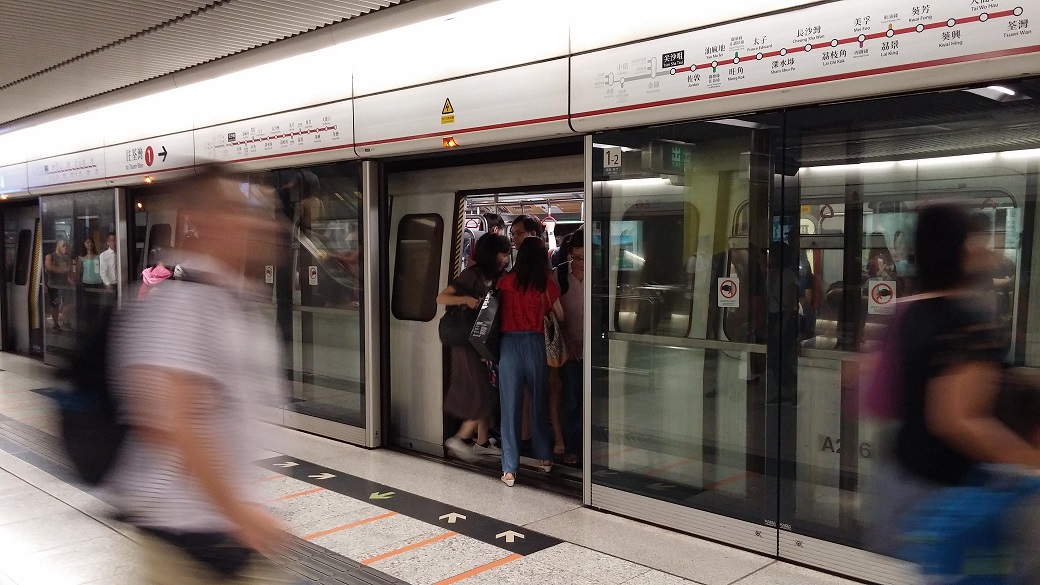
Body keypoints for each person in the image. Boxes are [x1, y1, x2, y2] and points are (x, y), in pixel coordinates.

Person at [107, 166, 294, 584]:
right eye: (239, 210)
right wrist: (238, 512)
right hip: (186, 537)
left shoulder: (232, 295)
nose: (259, 221)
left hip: (220, 529)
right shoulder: (181, 301)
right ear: (204, 221)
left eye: (261, 210)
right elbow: (171, 420)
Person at [867, 203, 1040, 557]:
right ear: (960, 249)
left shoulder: (910, 312)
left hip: (904, 478)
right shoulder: (965, 323)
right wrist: (1029, 460)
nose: (988, 246)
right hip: (950, 496)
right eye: (976, 237)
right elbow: (957, 419)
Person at [436, 233, 510, 462]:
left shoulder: (500, 276)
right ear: (491, 253)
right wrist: (466, 300)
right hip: (466, 342)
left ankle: (482, 442)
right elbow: (442, 298)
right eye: (503, 252)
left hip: (484, 341)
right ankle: (459, 438)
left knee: (486, 390)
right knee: (482, 393)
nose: (507, 257)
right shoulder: (472, 274)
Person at [496, 236, 563, 486]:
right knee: (538, 402)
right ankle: (545, 458)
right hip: (536, 344)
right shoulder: (546, 284)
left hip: (509, 345)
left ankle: (510, 469)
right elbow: (562, 316)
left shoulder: (505, 282)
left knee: (510, 406)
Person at [556, 229, 584, 466]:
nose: (581, 263)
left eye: (585, 258)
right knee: (572, 399)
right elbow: (556, 316)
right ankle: (573, 446)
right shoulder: (560, 275)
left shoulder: (600, 273)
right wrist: (568, 340)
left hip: (594, 346)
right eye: (576, 257)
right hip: (569, 349)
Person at [75, 237, 104, 328]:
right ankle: (89, 322)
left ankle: (96, 321)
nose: (89, 244)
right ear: (84, 244)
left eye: (91, 242)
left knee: (97, 303)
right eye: (87, 242)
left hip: (97, 282)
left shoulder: (98, 257)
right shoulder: (81, 258)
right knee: (88, 303)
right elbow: (79, 271)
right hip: (86, 282)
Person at [44, 238, 72, 333]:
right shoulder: (50, 256)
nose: (65, 248)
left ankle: (65, 320)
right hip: (54, 285)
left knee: (66, 304)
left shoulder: (67, 258)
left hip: (64, 284)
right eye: (63, 246)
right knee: (55, 305)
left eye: (66, 246)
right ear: (58, 246)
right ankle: (56, 323)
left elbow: (70, 270)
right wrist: (64, 270)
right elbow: (49, 267)